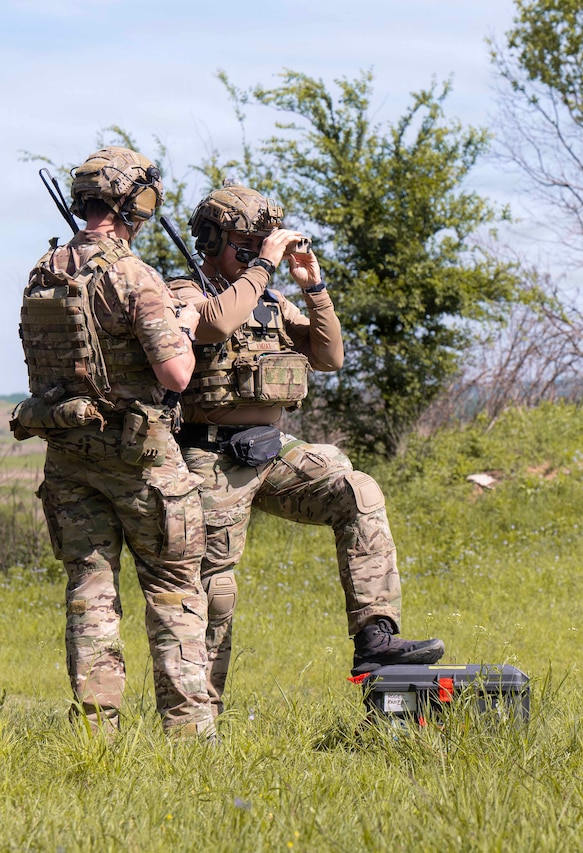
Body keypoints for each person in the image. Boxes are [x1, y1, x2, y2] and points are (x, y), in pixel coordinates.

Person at [168, 180, 443, 715]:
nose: (256, 252)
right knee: (214, 591)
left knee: (357, 492)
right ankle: (199, 717)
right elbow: (215, 324)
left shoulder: (269, 296)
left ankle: (375, 639)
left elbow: (329, 354)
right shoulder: (185, 291)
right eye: (245, 244)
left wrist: (314, 288)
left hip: (269, 449)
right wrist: (261, 269)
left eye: (260, 243)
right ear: (212, 240)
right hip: (212, 458)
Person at [15, 147, 213, 737]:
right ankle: (189, 734)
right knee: (175, 591)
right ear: (138, 203)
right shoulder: (135, 275)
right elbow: (177, 374)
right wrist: (184, 323)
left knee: (90, 591)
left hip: (69, 456)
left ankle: (98, 733)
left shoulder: (44, 269)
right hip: (141, 459)